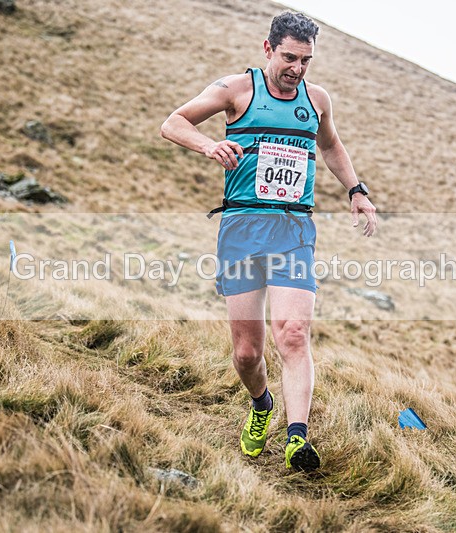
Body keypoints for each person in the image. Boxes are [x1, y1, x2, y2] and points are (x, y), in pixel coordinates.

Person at [160, 11, 377, 471]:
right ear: (268, 49)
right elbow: (173, 122)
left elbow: (330, 145)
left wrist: (356, 191)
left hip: (292, 230)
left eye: (306, 60)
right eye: (290, 58)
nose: (298, 69)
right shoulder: (236, 89)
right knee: (247, 353)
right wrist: (208, 145)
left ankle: (297, 438)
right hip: (241, 229)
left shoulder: (316, 100)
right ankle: (261, 404)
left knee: (293, 333)